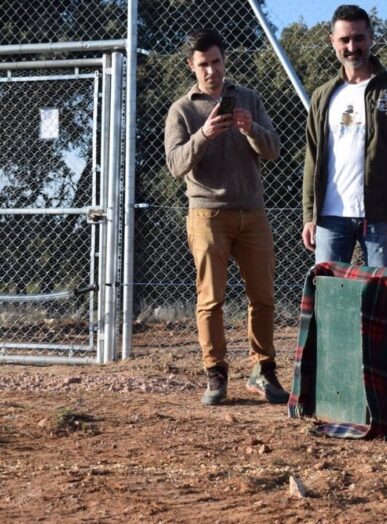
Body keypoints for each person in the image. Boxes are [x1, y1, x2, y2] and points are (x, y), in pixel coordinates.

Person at [164, 29, 289, 406]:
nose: (211, 70)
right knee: (211, 299)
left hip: (252, 211)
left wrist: (251, 128)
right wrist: (204, 134)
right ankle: (215, 374)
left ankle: (263, 369)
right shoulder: (182, 110)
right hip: (207, 213)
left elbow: (273, 149)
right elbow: (175, 165)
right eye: (203, 64)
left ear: (224, 60)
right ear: (191, 66)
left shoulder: (249, 98)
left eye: (216, 62)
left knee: (263, 297)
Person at [301, 4, 387, 267]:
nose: (352, 47)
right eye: (344, 39)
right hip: (330, 217)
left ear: (371, 38)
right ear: (332, 41)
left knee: (382, 291)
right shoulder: (322, 95)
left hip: (381, 217)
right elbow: (312, 157)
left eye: (359, 38)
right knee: (328, 291)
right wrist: (309, 215)